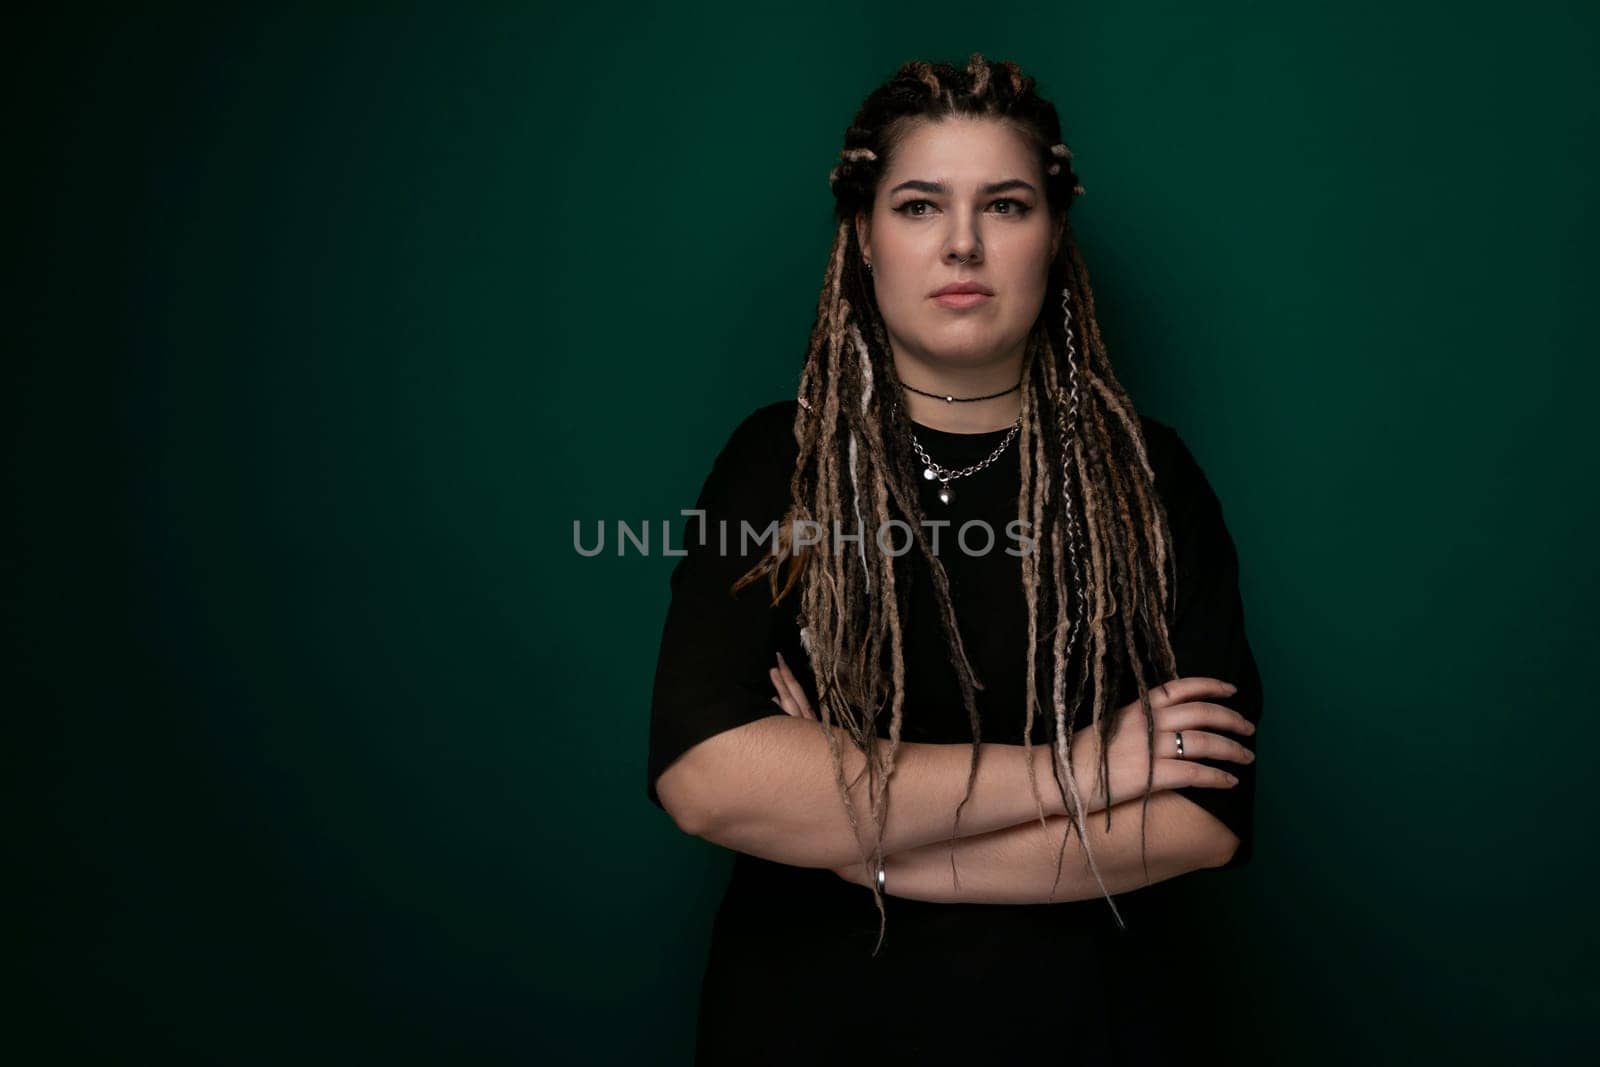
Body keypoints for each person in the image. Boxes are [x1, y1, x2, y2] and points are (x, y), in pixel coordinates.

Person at [645, 53, 1264, 1065]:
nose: (963, 243)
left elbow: (1198, 816)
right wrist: (1085, 768)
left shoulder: (1148, 473)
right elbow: (709, 779)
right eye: (921, 204)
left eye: (1007, 205)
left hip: (1090, 1029)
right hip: (812, 1028)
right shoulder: (781, 460)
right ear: (863, 236)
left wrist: (868, 851)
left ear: (1053, 237)